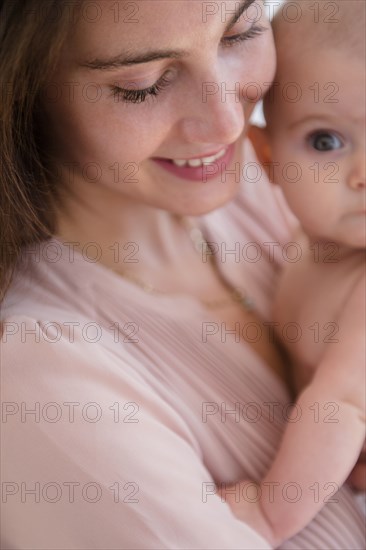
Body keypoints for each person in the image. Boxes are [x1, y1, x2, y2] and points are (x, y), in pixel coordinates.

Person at [0, 1, 364, 548]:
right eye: (142, 85)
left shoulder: (284, 183)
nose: (229, 122)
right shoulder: (40, 380)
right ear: (23, 90)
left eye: (240, 34)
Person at [219, 0, 366, 546]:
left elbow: (342, 404)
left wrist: (269, 514)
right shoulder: (305, 243)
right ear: (267, 156)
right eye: (325, 141)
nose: (362, 175)